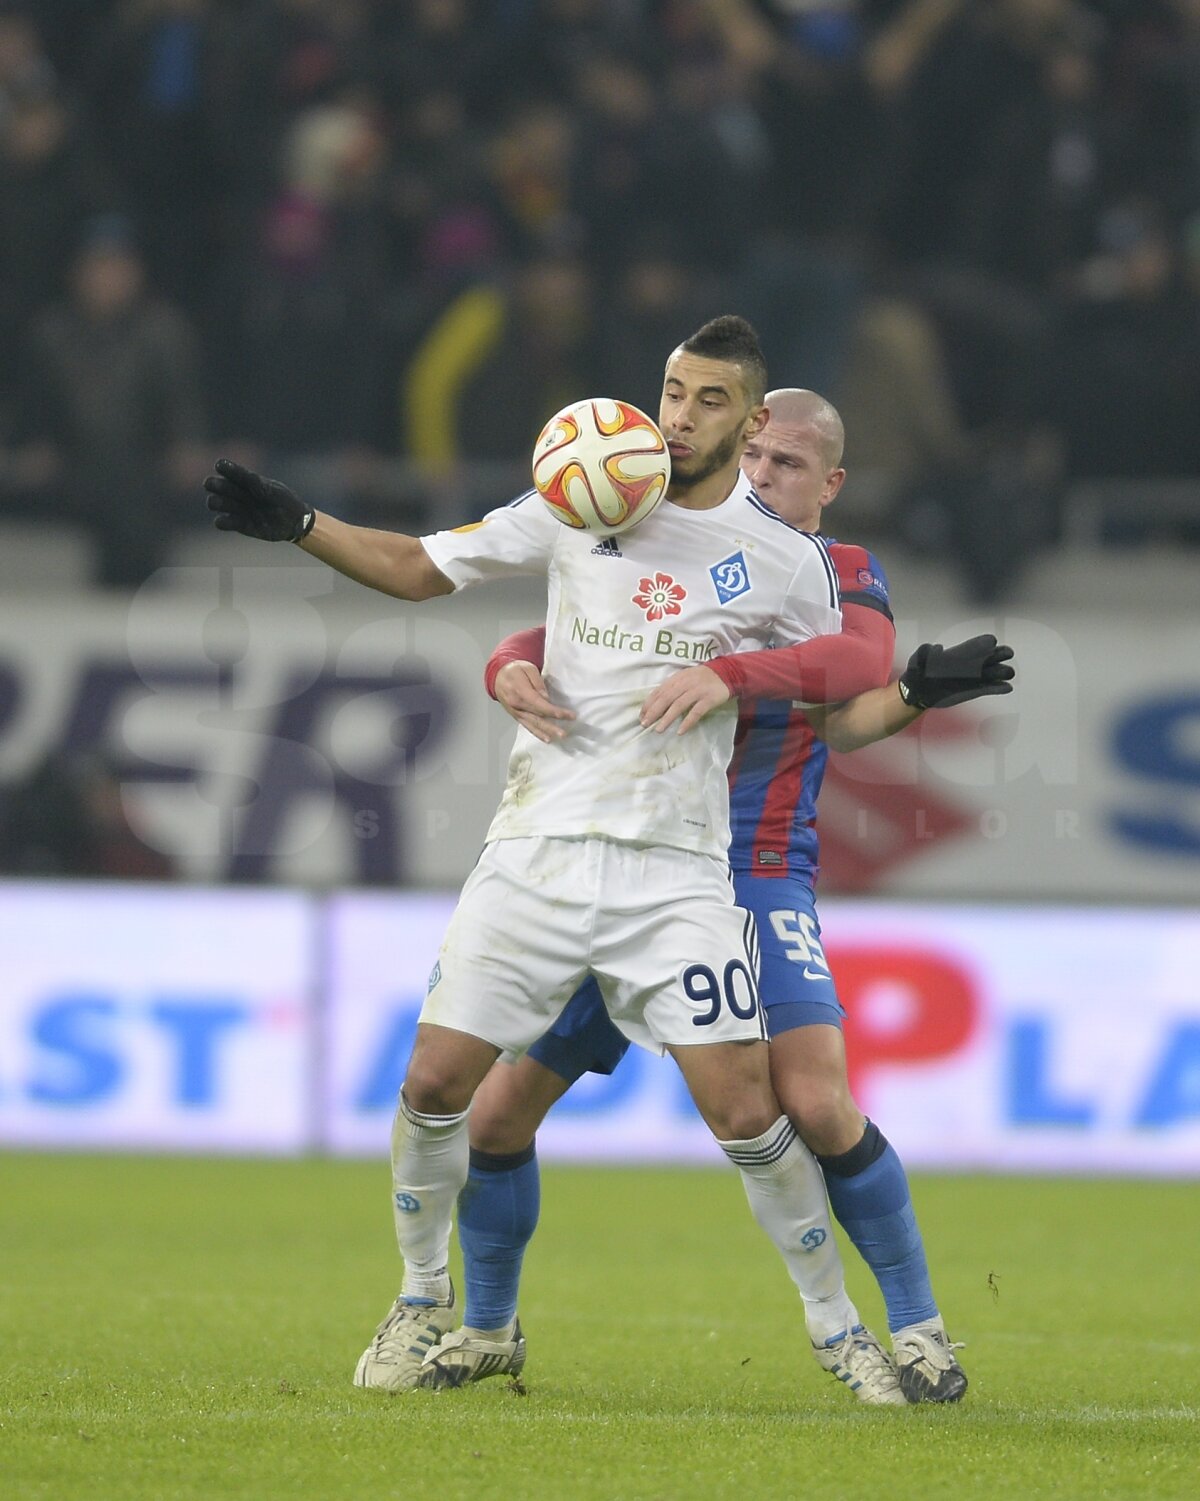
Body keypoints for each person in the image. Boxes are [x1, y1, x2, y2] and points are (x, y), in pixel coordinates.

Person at [206, 317, 918, 1407]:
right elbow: (417, 566)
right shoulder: (585, 497)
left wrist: (738, 676)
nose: (680, 416)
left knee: (746, 1113)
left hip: (678, 872)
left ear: (754, 418)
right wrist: (303, 524)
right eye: (673, 392)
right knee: (437, 1083)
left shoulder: (781, 556)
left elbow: (855, 659)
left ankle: (841, 1333)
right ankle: (421, 1299)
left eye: (710, 400)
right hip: (534, 852)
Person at [421, 389, 1013, 1403]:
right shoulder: (671, 540)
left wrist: (913, 690)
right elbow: (562, 631)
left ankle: (919, 1332)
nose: (763, 476)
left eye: (787, 464)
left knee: (818, 1102)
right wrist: (500, 664)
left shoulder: (837, 572)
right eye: (755, 456)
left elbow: (845, 712)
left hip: (753, 867)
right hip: (627, 859)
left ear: (828, 484)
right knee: (496, 1118)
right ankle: (485, 1329)